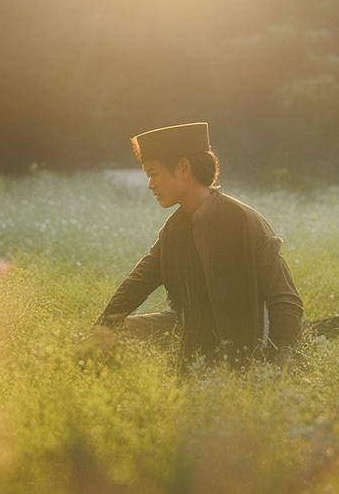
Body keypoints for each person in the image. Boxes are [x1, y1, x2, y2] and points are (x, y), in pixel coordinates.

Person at [97, 122, 303, 364]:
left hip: (244, 349)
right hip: (190, 339)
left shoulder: (244, 221)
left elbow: (285, 299)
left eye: (153, 173)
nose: (150, 185)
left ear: (183, 168)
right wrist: (101, 328)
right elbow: (139, 282)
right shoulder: (174, 229)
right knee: (111, 333)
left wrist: (279, 363)